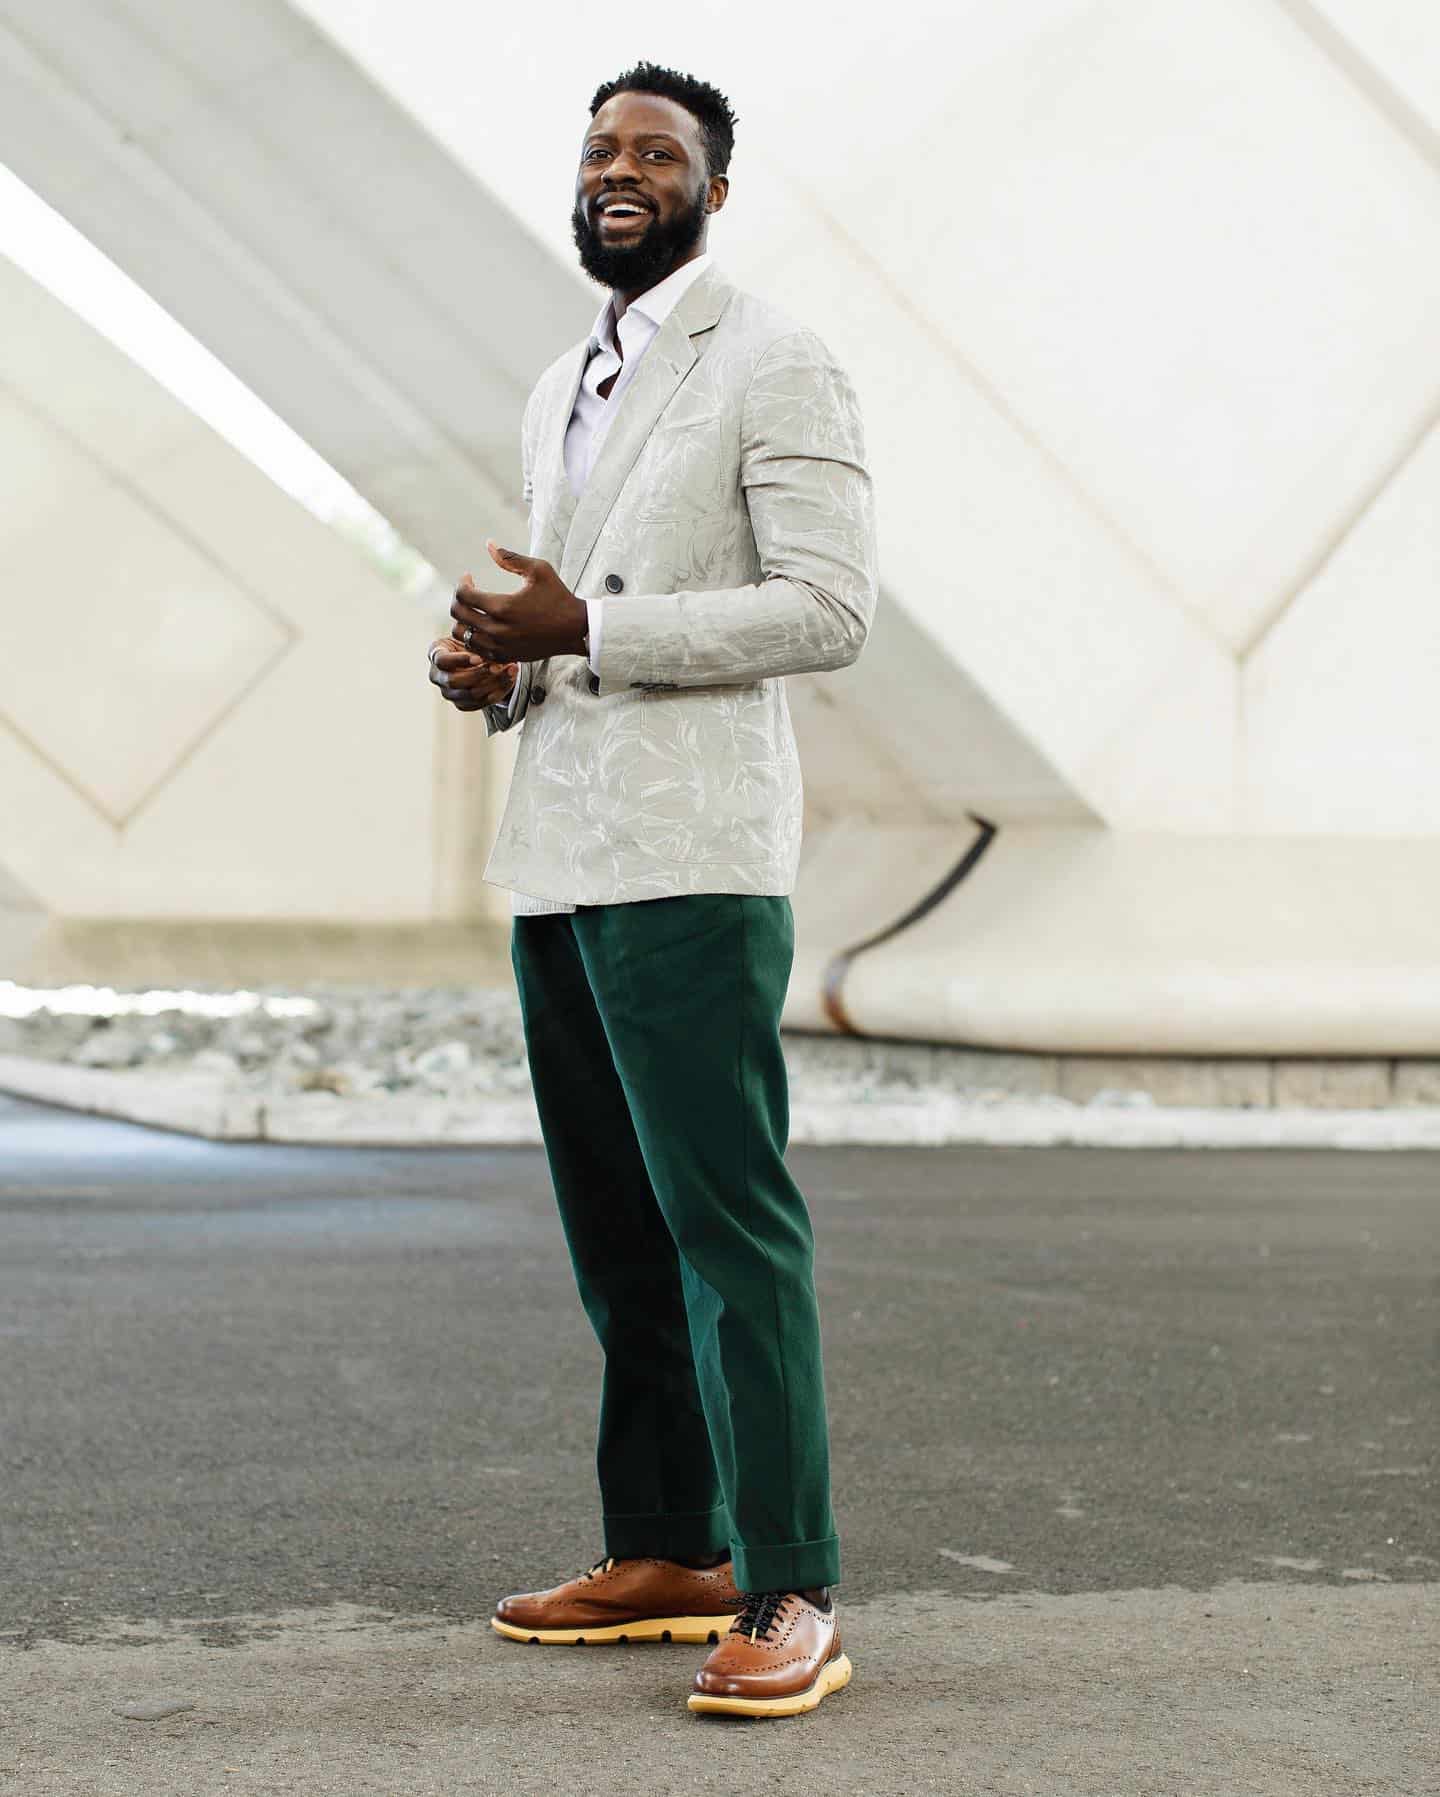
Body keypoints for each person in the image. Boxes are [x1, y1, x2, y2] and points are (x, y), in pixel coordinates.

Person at [427, 60, 877, 1719]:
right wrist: (503, 666)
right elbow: (566, 611)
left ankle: (791, 1581)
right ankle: (672, 1548)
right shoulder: (563, 380)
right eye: (601, 148)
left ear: (714, 189)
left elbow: (828, 607)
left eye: (659, 152)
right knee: (616, 1230)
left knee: (726, 1227)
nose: (622, 169)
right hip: (562, 851)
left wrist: (592, 628)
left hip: (693, 854)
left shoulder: (777, 358)